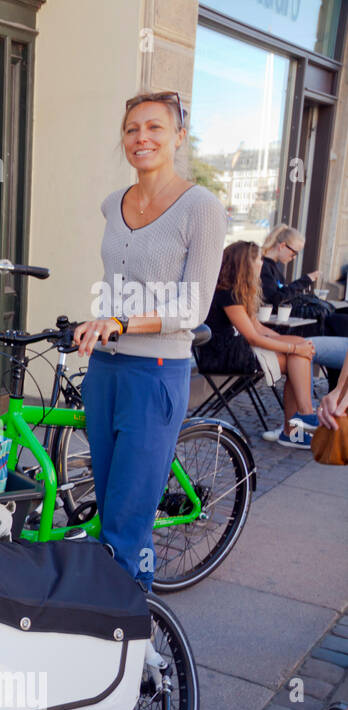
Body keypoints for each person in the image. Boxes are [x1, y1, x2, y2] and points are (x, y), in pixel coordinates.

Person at [73, 90, 227, 588]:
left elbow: (194, 306)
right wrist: (100, 324)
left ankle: (135, 641)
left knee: (127, 519)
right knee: (108, 506)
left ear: (178, 136)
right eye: (132, 128)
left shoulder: (201, 208)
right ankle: (105, 622)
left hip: (156, 373)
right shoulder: (111, 204)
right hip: (105, 370)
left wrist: (120, 322)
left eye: (155, 127)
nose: (142, 138)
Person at [196, 240, 346, 448]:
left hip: (240, 348)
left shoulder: (238, 291)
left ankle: (293, 429)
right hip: (225, 355)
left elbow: (259, 329)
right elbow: (253, 338)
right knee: (297, 356)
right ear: (245, 264)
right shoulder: (227, 294)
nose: (261, 263)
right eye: (258, 259)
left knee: (302, 347)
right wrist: (294, 348)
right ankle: (301, 419)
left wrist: (296, 343)